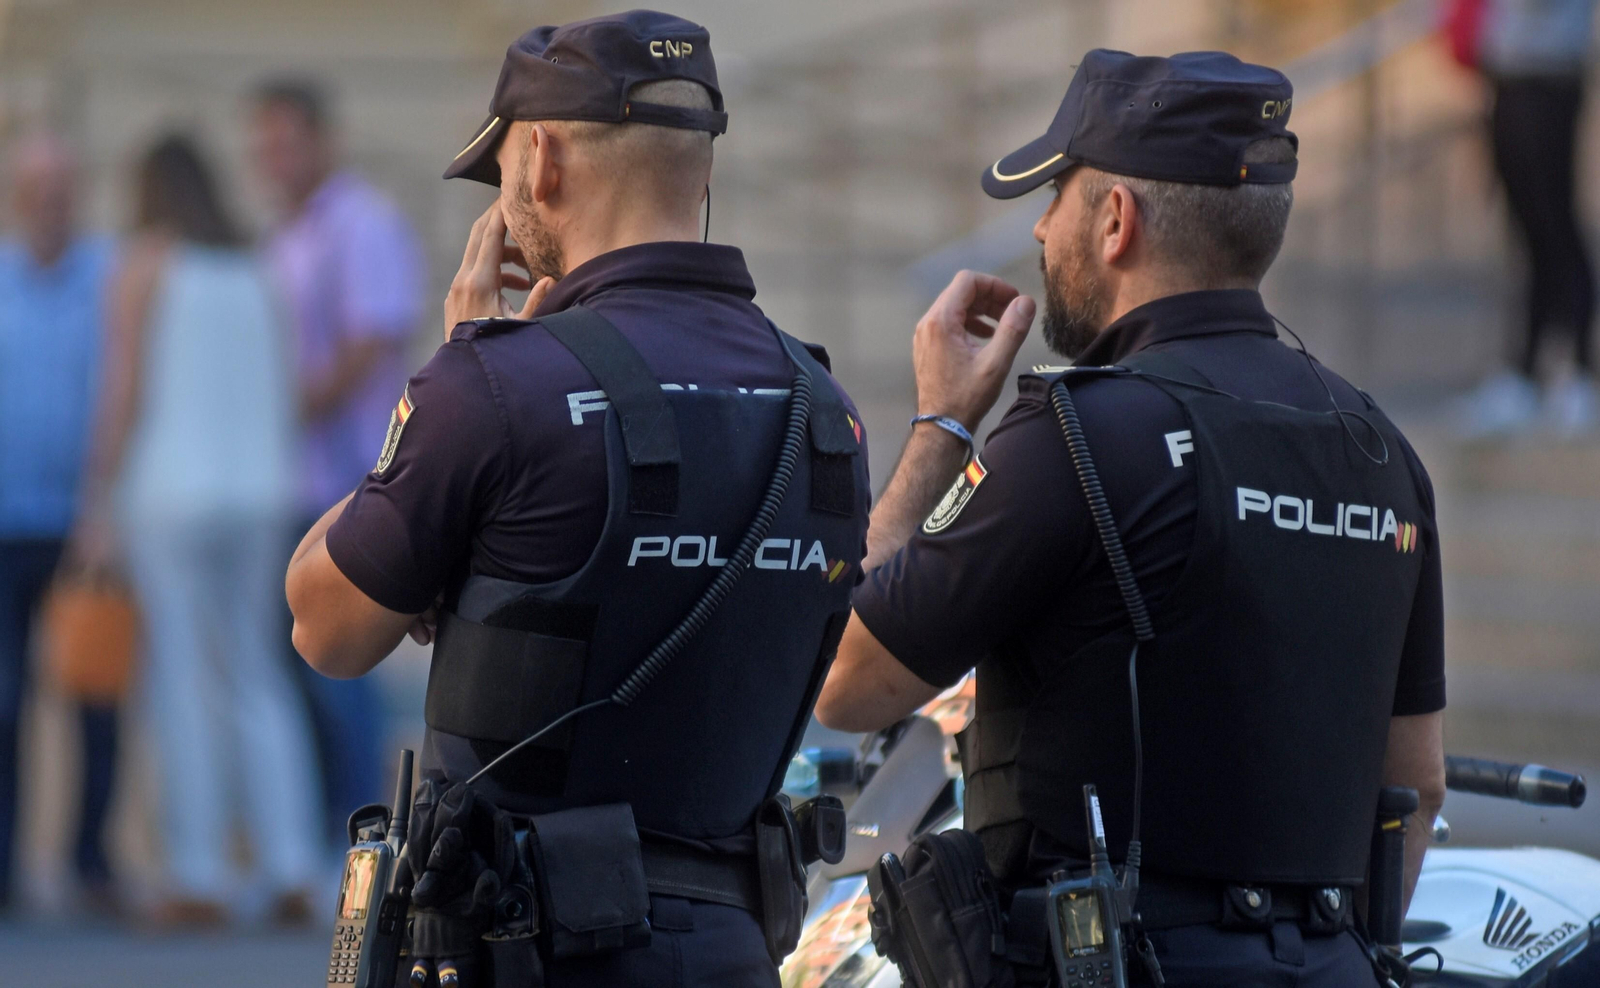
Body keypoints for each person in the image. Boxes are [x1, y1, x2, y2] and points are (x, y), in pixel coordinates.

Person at [816, 50, 1448, 986]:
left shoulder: (1075, 434)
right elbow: (1417, 787)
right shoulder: (1382, 451)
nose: (1038, 226)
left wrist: (945, 423)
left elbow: (848, 681)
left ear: (1116, 220)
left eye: (1057, 196)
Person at [286, 11, 870, 986]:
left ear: (543, 160)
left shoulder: (494, 389)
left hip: (519, 949)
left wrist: (450, 377)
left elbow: (326, 628)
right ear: (704, 174)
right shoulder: (824, 412)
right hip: (733, 949)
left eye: (504, 167)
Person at [81, 134, 320, 925]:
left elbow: (123, 392)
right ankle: (290, 863)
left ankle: (198, 871)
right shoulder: (259, 268)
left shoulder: (145, 265)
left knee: (181, 679)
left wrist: (95, 502)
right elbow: (284, 386)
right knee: (257, 674)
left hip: (169, 496)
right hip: (259, 494)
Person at [251, 78, 426, 840]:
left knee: (341, 670)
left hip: (349, 478)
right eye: (263, 144)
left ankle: (359, 833)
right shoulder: (282, 236)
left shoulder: (362, 222)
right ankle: (327, 826)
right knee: (296, 664)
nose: (272, 158)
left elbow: (369, 343)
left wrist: (281, 411)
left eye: (287, 141)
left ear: (323, 141)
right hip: (288, 479)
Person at [0, 131, 120, 912]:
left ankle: (90, 867)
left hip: (87, 528)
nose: (49, 203)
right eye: (36, 189)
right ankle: (5, 873)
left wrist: (105, 507)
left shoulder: (112, 277)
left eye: (61, 189)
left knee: (98, 698)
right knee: (3, 705)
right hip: (5, 525)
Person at [1455, 0, 1598, 437]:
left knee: (1554, 226)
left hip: (1548, 75)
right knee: (1526, 235)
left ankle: (1578, 370)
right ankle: (1525, 371)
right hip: (1510, 75)